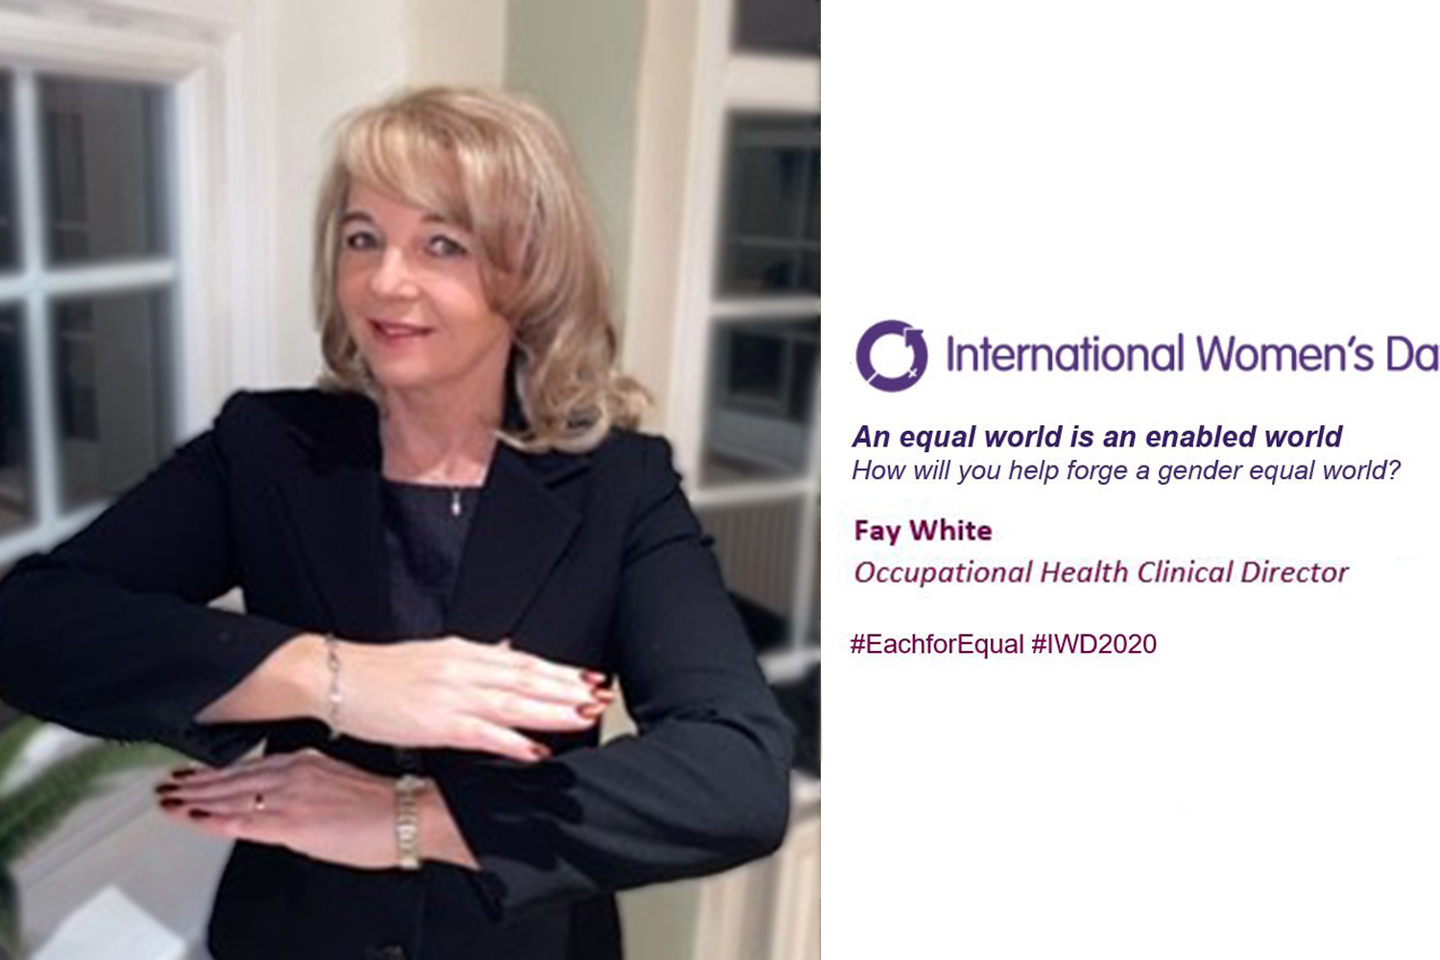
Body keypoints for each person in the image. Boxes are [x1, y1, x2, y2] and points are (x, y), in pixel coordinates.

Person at [0, 86, 792, 960]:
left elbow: (739, 776)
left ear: (530, 268)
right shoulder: (269, 448)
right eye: (362, 238)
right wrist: (329, 676)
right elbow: (30, 622)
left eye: (442, 243)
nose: (385, 281)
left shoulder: (618, 484)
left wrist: (411, 818)